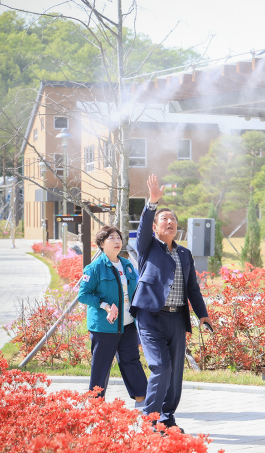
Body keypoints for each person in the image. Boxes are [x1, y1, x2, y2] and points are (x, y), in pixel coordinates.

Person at [132, 174, 212, 433]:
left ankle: (167, 417)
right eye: (164, 219)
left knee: (175, 373)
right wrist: (152, 203)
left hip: (177, 319)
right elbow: (142, 228)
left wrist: (203, 314)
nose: (169, 222)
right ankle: (149, 419)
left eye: (173, 220)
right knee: (161, 367)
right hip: (150, 318)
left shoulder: (185, 254)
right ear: (156, 227)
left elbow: (193, 288)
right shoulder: (147, 248)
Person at [78, 225, 147, 402]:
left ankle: (143, 399)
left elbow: (137, 290)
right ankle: (95, 404)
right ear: (101, 244)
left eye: (119, 237)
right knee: (101, 366)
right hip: (104, 327)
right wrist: (104, 305)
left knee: (131, 361)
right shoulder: (94, 268)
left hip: (127, 324)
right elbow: (84, 295)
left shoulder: (127, 265)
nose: (117, 241)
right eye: (111, 238)